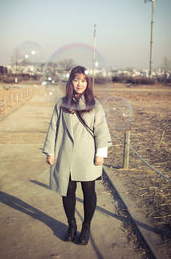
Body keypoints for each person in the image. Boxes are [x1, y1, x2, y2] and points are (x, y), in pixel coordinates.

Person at [43, 66, 111, 245]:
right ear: (70, 81)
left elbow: (101, 129)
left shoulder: (94, 103)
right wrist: (51, 151)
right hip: (65, 153)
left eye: (83, 80)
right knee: (68, 190)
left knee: (89, 191)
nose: (79, 84)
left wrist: (100, 153)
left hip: (87, 155)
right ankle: (71, 225)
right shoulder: (61, 103)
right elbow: (53, 128)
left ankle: (86, 227)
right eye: (76, 79)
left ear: (87, 83)